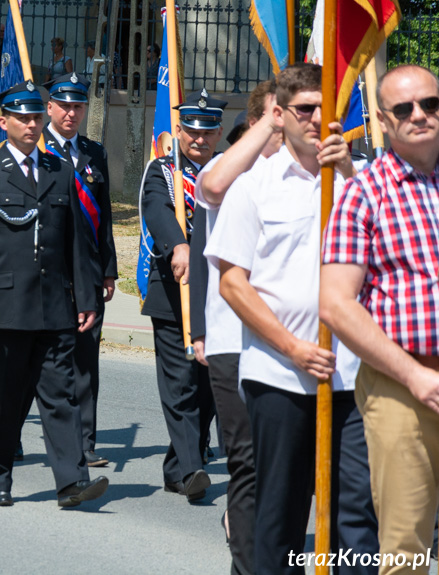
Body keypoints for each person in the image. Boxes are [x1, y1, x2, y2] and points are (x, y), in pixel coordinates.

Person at [205, 63, 377, 574]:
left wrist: (348, 174)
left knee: (357, 514)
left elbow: (394, 250)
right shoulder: (254, 187)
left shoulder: (364, 182)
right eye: (306, 109)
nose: (320, 120)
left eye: (330, 110)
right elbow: (234, 283)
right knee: (279, 514)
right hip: (279, 375)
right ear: (279, 114)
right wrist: (293, 348)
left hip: (352, 371)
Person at [0, 79, 108, 508]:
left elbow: (76, 241)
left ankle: (71, 481)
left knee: (61, 396)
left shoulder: (60, 170)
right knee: (4, 398)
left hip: (55, 306)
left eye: (36, 116)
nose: (31, 123)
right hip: (5, 306)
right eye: (21, 117)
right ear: (3, 122)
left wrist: (86, 297)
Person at [320, 64, 439, 575]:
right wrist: (416, 376)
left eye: (431, 104)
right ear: (383, 121)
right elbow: (336, 304)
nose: (420, 116)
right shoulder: (362, 193)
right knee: (406, 552)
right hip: (401, 384)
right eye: (405, 109)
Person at [194, 78, 279, 575]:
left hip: (296, 346)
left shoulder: (314, 176)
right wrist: (269, 121)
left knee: (288, 467)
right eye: (280, 113)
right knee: (247, 463)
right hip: (236, 341)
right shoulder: (235, 172)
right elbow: (214, 186)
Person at [139, 88, 222, 502]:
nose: (199, 140)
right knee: (180, 384)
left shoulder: (227, 174)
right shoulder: (164, 172)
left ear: (218, 133)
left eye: (207, 133)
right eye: (191, 131)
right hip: (176, 294)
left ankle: (178, 463)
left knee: (208, 389)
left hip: (219, 299)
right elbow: (155, 209)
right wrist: (178, 244)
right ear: (180, 131)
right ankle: (192, 470)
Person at [39, 72, 117, 467]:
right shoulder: (35, 146)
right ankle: (18, 434)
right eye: (64, 105)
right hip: (47, 271)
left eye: (78, 106)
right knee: (39, 358)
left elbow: (102, 220)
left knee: (86, 360)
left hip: (86, 272)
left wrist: (108, 270)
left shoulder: (94, 153)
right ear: (49, 107)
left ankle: (84, 442)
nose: (71, 113)